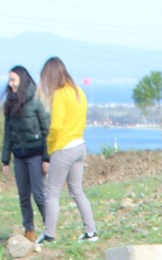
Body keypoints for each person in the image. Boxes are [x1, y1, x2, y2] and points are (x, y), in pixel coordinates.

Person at [35, 57, 96, 245]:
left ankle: (49, 234)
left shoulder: (60, 94)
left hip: (64, 148)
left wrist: (50, 145)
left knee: (52, 192)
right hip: (80, 146)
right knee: (77, 190)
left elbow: (56, 126)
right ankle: (91, 231)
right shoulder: (78, 92)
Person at [1, 65, 49, 242]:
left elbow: (47, 130)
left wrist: (47, 157)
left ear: (22, 80)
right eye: (9, 80)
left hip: (36, 153)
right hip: (19, 155)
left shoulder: (36, 100)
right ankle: (29, 230)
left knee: (38, 194)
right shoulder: (10, 102)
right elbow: (8, 132)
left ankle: (49, 227)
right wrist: (5, 159)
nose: (10, 84)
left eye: (13, 80)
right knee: (23, 195)